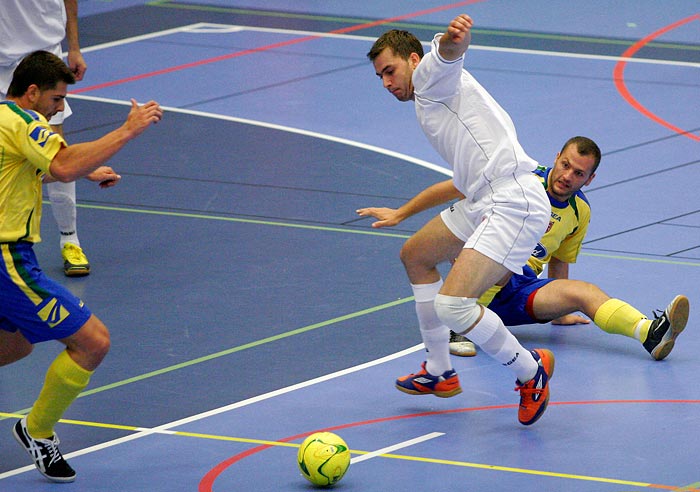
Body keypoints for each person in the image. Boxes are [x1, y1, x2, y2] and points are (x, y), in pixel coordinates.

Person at [364, 15, 554, 426]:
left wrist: (454, 41)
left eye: (390, 71)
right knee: (415, 255)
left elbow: (447, 55)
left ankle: (529, 371)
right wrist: (403, 213)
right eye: (379, 76)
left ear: (413, 60)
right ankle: (440, 371)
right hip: (483, 197)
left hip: (513, 201)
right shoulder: (430, 102)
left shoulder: (431, 79)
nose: (386, 83)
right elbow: (458, 183)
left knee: (453, 305)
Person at [359, 136, 690, 362]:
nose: (567, 176)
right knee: (501, 253)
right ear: (555, 159)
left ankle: (649, 333)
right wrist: (402, 213)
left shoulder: (580, 212)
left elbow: (560, 260)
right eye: (564, 165)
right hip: (480, 275)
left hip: (519, 291)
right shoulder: (519, 178)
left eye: (578, 173)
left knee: (585, 291)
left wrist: (561, 312)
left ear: (589, 179)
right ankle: (457, 325)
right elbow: (456, 189)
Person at [0, 50, 163, 482]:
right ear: (32, 93)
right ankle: (36, 430)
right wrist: (127, 130)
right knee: (93, 342)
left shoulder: (3, 122)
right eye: (56, 101)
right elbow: (62, 163)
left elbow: (33, 170)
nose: (59, 110)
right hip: (7, 260)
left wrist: (83, 170)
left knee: (14, 347)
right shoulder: (25, 122)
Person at [0, 0, 92, 276]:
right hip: (0, 60)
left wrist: (74, 48)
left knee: (55, 149)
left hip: (43, 54)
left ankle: (69, 239)